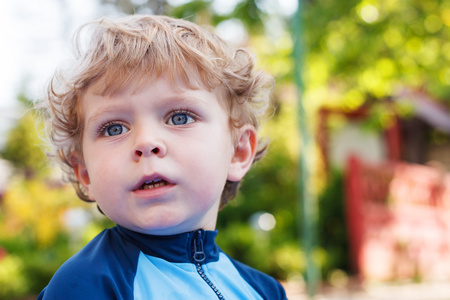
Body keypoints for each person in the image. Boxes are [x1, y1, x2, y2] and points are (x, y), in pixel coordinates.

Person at [38, 14, 286, 299]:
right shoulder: (85, 286)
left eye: (179, 117)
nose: (145, 142)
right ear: (85, 174)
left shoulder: (264, 291)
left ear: (238, 152)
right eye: (114, 128)